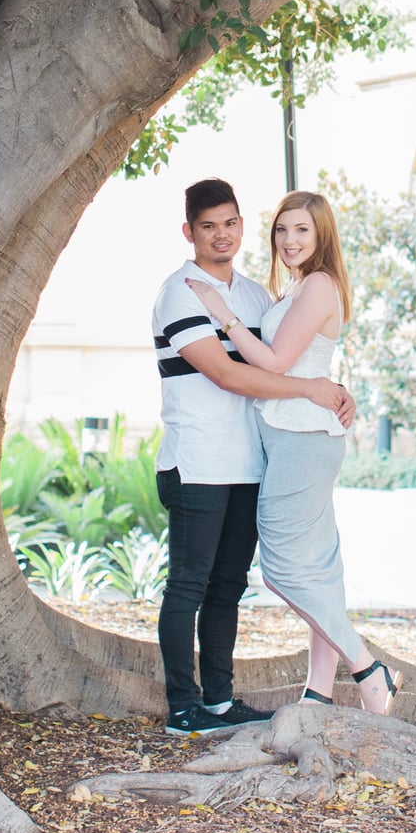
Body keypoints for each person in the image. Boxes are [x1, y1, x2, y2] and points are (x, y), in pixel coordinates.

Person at [152, 179, 357, 737]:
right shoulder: (182, 293)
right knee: (189, 587)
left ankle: (219, 700)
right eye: (208, 225)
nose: (221, 234)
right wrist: (311, 388)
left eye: (230, 223)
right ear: (189, 231)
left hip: (251, 463)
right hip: (196, 461)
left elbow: (283, 364)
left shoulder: (252, 296)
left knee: (228, 587)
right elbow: (227, 373)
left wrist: (330, 386)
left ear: (243, 227)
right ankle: (183, 707)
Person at [186, 190, 400, 715]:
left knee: (281, 569)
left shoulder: (320, 286)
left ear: (321, 234)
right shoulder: (299, 290)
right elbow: (304, 364)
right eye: (282, 230)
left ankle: (369, 669)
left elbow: (277, 363)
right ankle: (318, 693)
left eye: (301, 230)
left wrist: (221, 312)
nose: (289, 240)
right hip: (294, 433)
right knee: (321, 568)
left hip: (304, 438)